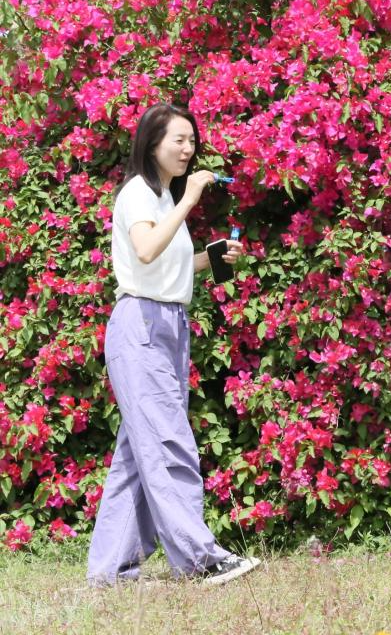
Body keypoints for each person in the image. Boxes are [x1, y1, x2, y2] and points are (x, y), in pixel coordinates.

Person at [87, 103, 260, 585]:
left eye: (192, 141)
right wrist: (190, 200)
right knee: (168, 442)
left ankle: (110, 571)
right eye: (178, 140)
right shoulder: (139, 193)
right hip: (141, 325)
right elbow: (145, 250)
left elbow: (165, 263)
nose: (188, 150)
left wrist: (213, 258)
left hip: (168, 324)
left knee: (135, 456)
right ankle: (201, 558)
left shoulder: (163, 198)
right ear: (152, 144)